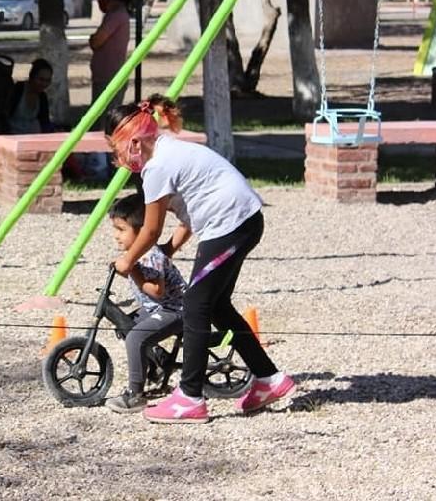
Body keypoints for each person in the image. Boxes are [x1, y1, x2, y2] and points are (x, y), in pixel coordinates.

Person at [106, 95, 294, 424]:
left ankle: (190, 397)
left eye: (115, 149)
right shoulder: (167, 149)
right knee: (216, 305)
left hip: (231, 224)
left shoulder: (157, 167)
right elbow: (186, 218)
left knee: (194, 304)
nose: (115, 158)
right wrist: (168, 252)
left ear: (134, 142)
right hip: (239, 221)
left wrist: (127, 261)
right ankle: (268, 379)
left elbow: (149, 231)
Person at [104, 193, 188, 414]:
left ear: (142, 232)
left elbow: (157, 291)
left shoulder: (148, 255)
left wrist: (132, 270)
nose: (116, 236)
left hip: (175, 310)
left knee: (135, 337)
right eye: (115, 229)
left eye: (121, 230)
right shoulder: (138, 253)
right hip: (157, 308)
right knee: (126, 325)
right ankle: (159, 360)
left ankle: (135, 394)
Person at [89, 0, 133, 120]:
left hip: (110, 78)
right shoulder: (113, 15)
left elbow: (96, 41)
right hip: (105, 77)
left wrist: (92, 39)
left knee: (103, 120)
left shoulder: (116, 15)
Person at [8, 58, 54, 134]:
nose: (44, 84)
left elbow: (45, 122)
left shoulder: (42, 97)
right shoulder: (18, 90)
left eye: (47, 80)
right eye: (41, 79)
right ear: (31, 77)